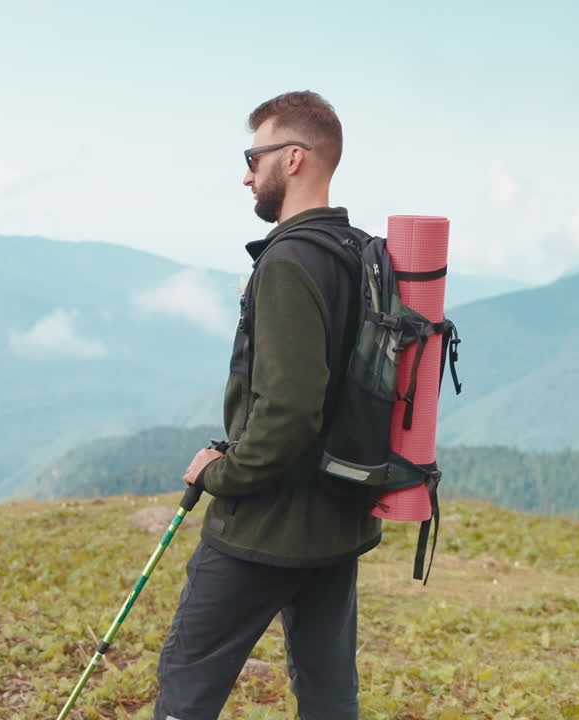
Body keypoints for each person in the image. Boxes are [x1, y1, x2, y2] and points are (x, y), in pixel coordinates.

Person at [153, 91, 380, 720]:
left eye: (254, 156)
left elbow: (287, 412)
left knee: (188, 679)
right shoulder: (360, 252)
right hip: (340, 515)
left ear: (295, 158)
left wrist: (220, 473)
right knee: (329, 687)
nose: (246, 172)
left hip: (266, 525)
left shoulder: (287, 263)